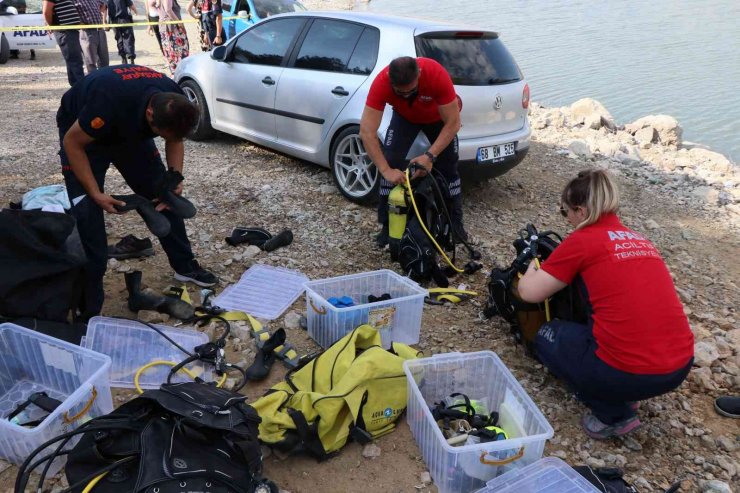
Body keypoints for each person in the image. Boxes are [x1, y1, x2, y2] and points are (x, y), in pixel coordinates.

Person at [517, 169, 694, 439]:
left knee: (544, 337)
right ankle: (627, 390)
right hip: (679, 366)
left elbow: (530, 293)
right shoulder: (641, 240)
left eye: (566, 213)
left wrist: (529, 269)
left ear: (581, 210)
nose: (567, 221)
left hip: (629, 372)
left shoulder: (583, 240)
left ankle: (613, 414)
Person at [56, 65, 217, 321]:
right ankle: (88, 306)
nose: (165, 137)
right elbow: (72, 143)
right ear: (151, 113)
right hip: (84, 136)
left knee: (166, 198)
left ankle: (185, 266)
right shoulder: (106, 101)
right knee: (88, 217)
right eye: (160, 134)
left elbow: (174, 139)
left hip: (130, 134)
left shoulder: (174, 98)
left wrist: (174, 177)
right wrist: (95, 193)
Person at [359, 56, 464, 248]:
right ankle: (387, 226)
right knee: (390, 160)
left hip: (438, 119)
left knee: (449, 166)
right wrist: (386, 170)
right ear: (391, 80)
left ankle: (455, 225)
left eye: (412, 91)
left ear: (419, 75)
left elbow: (454, 123)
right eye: (400, 92)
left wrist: (430, 156)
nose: (406, 95)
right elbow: (366, 132)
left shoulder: (435, 74)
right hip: (405, 117)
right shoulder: (382, 83)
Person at [42, 0, 84, 86]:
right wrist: (51, 26)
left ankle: (76, 88)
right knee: (75, 61)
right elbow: (46, 11)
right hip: (65, 31)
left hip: (70, 31)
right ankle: (81, 89)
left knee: (73, 61)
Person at [152, 0, 189, 74]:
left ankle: (176, 76)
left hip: (164, 27)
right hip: (172, 28)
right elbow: (168, 9)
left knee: (171, 55)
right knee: (179, 55)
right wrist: (180, 24)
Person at [78, 0, 109, 74]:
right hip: (88, 32)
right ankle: (94, 83)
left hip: (100, 30)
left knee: (104, 60)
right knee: (91, 63)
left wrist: (103, 20)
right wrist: (79, 22)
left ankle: (104, 82)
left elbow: (104, 5)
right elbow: (71, 13)